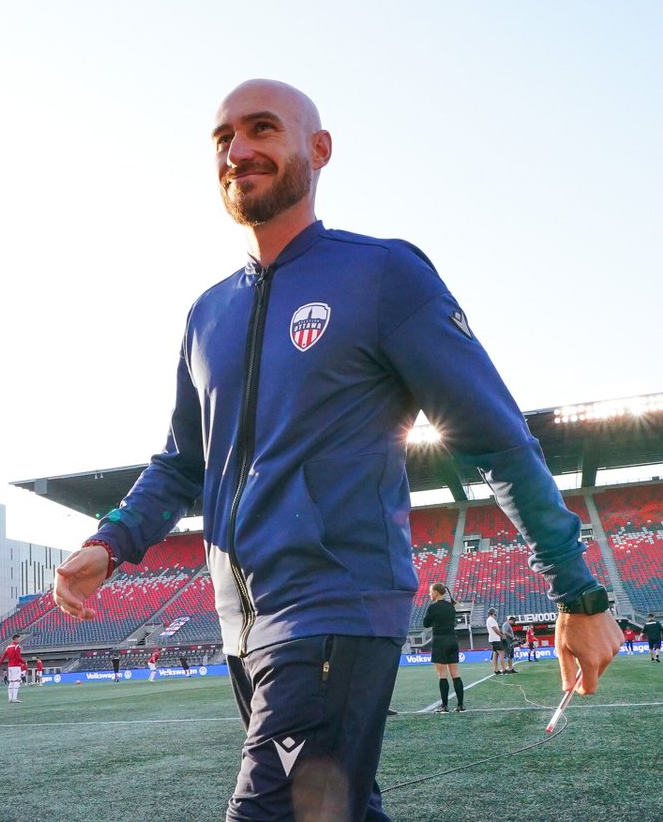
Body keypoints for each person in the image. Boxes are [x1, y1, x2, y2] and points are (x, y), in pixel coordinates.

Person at [51, 79, 622, 822]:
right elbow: (183, 463)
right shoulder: (206, 314)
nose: (238, 149)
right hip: (241, 625)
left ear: (318, 150)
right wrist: (111, 541)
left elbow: (498, 440)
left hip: (335, 605)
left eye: (262, 128)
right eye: (223, 138)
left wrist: (577, 592)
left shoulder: (382, 276)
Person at [423, 584, 465, 712]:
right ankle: (460, 705)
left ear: (436, 592)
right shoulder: (451, 606)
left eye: (430, 592)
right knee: (456, 675)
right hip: (452, 640)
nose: (429, 594)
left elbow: (426, 624)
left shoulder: (433, 607)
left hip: (440, 642)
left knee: (442, 675)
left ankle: (444, 706)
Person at [0, 634, 28, 703]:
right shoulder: (17, 646)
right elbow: (18, 658)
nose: (20, 640)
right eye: (19, 638)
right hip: (16, 666)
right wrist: (24, 662)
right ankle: (14, 698)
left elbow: (3, 657)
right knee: (17, 681)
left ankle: (10, 698)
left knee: (11, 682)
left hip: (10, 667)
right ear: (16, 639)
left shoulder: (8, 647)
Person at [486, 609, 507, 676]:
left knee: (495, 654)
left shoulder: (490, 619)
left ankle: (496, 670)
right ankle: (504, 669)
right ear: (493, 613)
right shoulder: (491, 620)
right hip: (495, 639)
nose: (496, 614)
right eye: (495, 613)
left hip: (493, 639)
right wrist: (501, 635)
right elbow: (495, 629)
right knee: (502, 653)